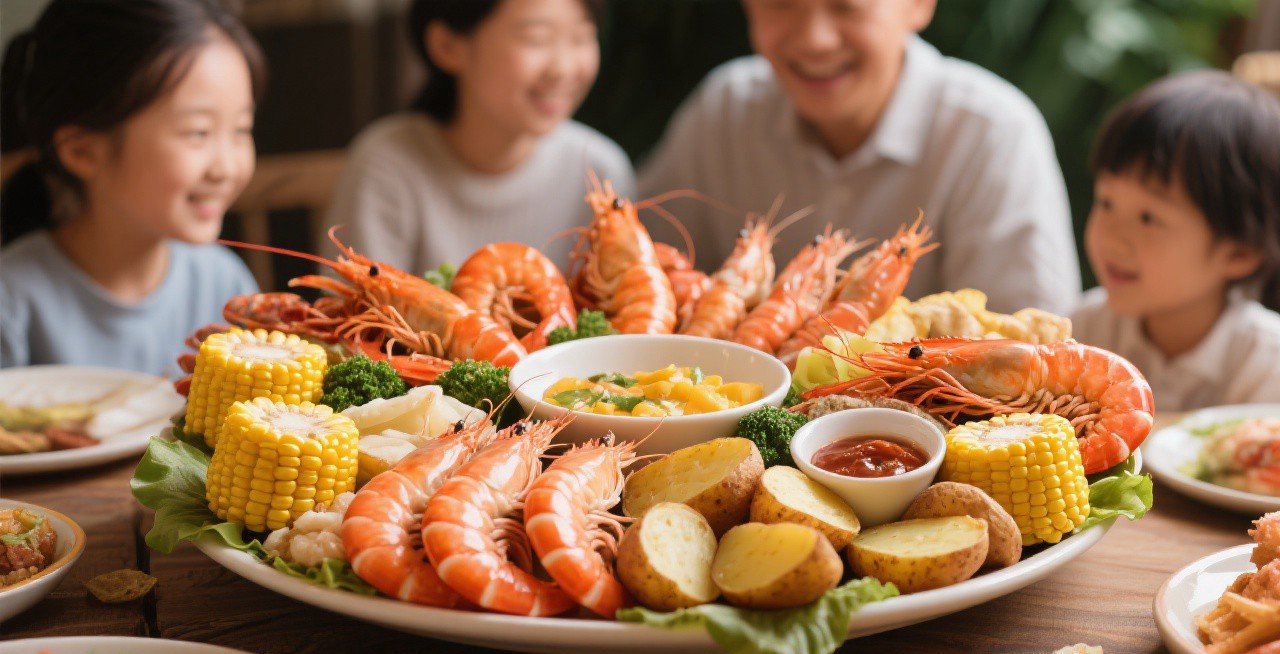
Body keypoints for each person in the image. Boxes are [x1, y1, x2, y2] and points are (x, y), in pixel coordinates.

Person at [639, 0, 1079, 314]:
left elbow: (1030, 337)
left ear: (919, 6)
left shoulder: (992, 131)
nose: (815, 39)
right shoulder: (725, 107)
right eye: (780, 3)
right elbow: (643, 280)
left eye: (846, 6)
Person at [0, 0, 265, 377]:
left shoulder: (225, 285)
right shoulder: (12, 300)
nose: (226, 168)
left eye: (241, 130)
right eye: (198, 133)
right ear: (82, 151)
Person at [326, 0, 634, 273]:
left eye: (582, 38)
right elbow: (353, 323)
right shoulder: (386, 165)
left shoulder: (600, 171)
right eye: (537, 39)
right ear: (447, 46)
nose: (563, 68)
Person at [1072, 71, 1280, 411]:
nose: (1112, 237)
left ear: (1239, 253)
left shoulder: (1266, 364)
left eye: (1148, 218)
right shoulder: (1084, 328)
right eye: (1107, 202)